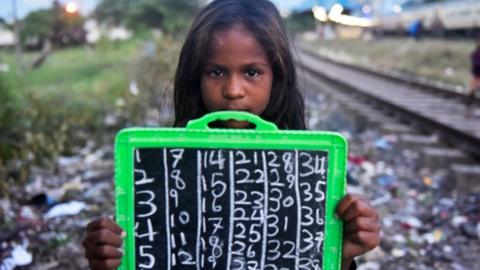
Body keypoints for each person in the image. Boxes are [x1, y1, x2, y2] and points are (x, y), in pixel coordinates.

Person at [82, 1, 380, 269]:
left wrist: (339, 256)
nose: (233, 91)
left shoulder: (305, 178)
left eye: (252, 72)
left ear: (277, 78)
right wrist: (113, 259)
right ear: (194, 78)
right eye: (216, 72)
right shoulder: (162, 172)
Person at [466, 37, 480, 116]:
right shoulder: (475, 54)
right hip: (475, 75)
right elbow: (476, 63)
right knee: (471, 92)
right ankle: (468, 109)